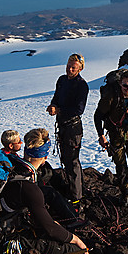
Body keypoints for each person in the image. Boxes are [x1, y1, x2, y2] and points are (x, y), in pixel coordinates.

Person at [0, 128, 89, 254]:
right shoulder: (30, 188)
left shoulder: (15, 166)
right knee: (77, 253)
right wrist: (76, 240)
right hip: (13, 239)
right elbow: (51, 229)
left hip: (6, 225)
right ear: (45, 156)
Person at [93, 70, 128, 197]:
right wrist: (101, 135)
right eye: (125, 85)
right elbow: (98, 116)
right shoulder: (111, 97)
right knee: (121, 165)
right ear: (120, 83)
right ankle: (125, 192)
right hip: (115, 133)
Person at [47, 53, 89, 212]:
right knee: (66, 157)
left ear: (80, 69)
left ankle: (76, 196)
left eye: (73, 67)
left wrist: (59, 109)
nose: (70, 69)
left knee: (72, 160)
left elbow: (79, 109)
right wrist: (53, 106)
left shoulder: (82, 85)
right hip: (63, 124)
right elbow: (56, 97)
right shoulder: (62, 80)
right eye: (68, 66)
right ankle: (74, 188)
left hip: (73, 127)